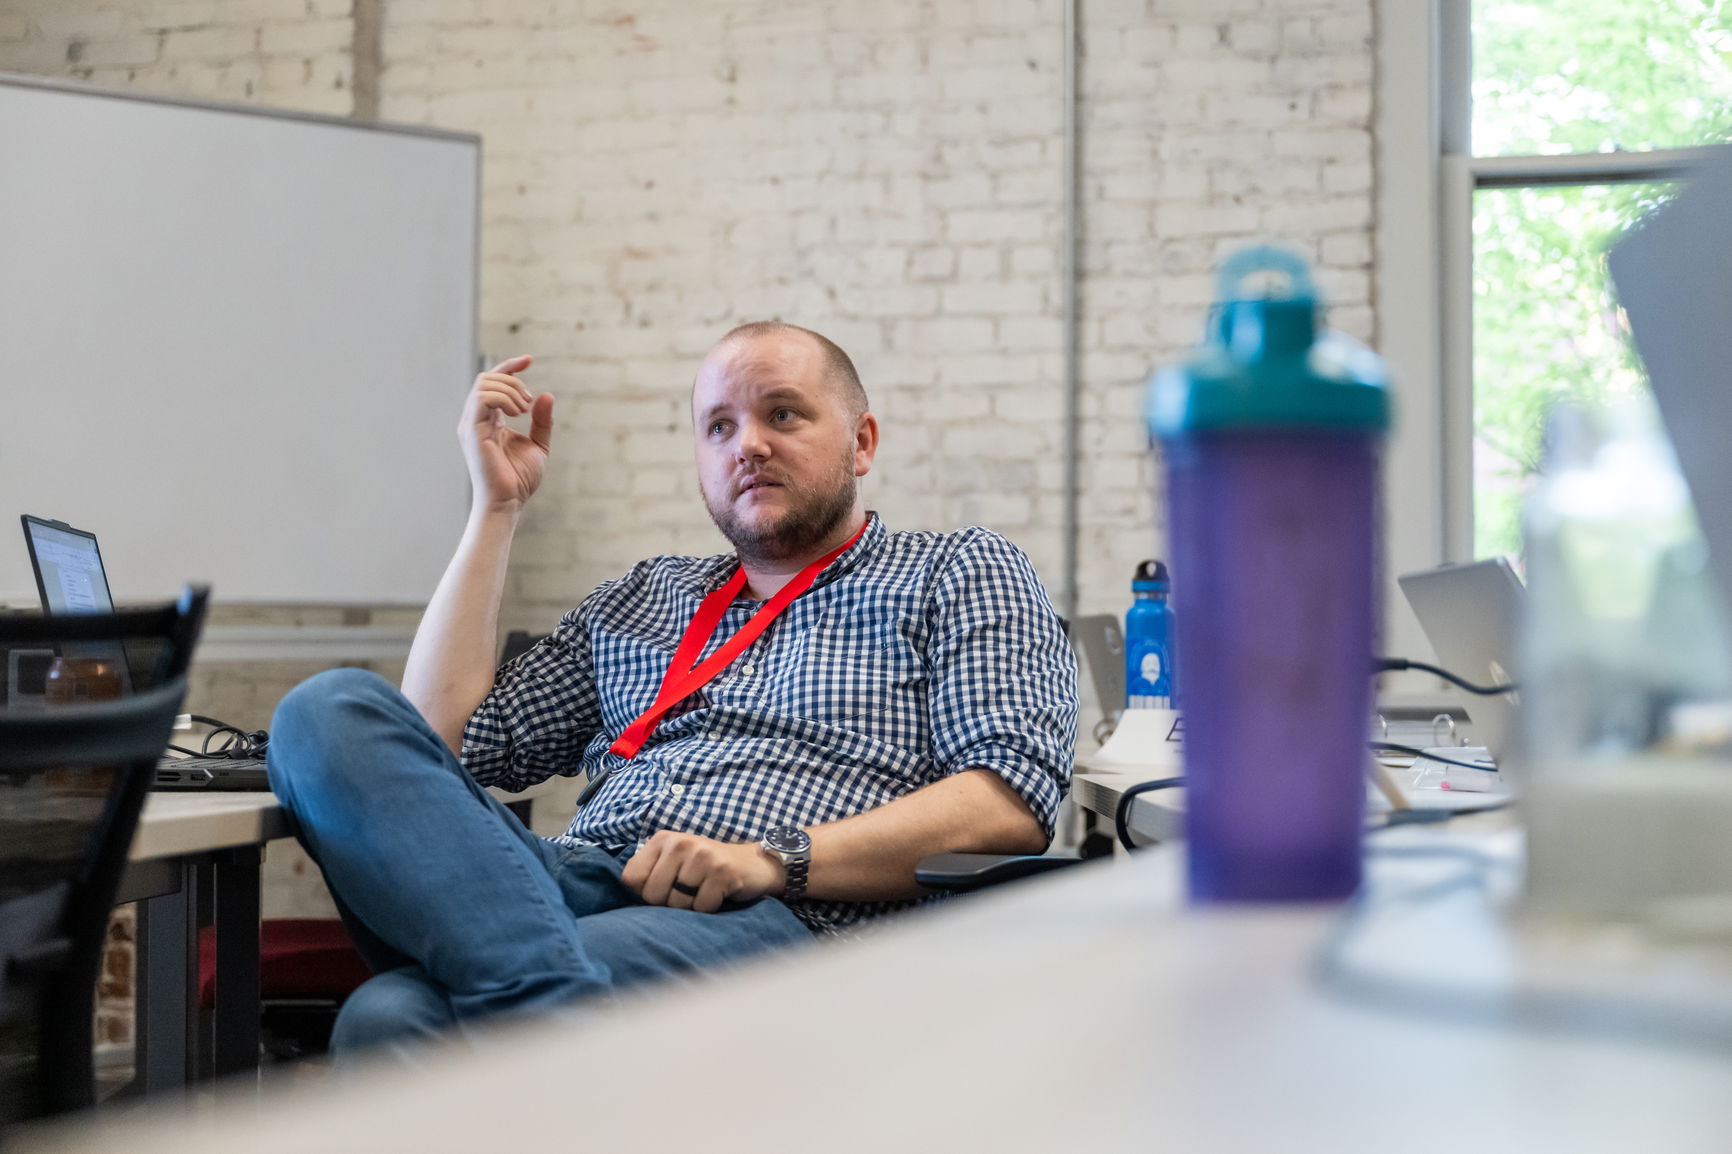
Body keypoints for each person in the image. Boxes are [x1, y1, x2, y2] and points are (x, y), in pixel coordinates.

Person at [267, 321, 1078, 1060]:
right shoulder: (645, 597)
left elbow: (1007, 803)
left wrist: (772, 860)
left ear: (861, 444)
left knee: (392, 1019)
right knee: (324, 711)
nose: (748, 446)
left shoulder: (956, 570)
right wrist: (496, 508)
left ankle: (545, 1016)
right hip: (570, 882)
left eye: (784, 416)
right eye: (719, 427)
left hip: (777, 916)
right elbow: (445, 744)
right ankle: (559, 1019)